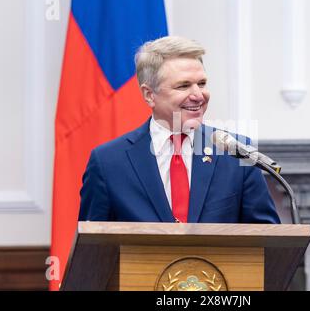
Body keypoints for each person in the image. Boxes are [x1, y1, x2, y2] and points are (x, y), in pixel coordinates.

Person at [79, 36, 280, 224]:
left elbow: (267, 239)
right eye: (183, 86)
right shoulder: (108, 162)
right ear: (149, 95)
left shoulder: (236, 151)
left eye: (201, 84)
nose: (198, 95)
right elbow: (94, 250)